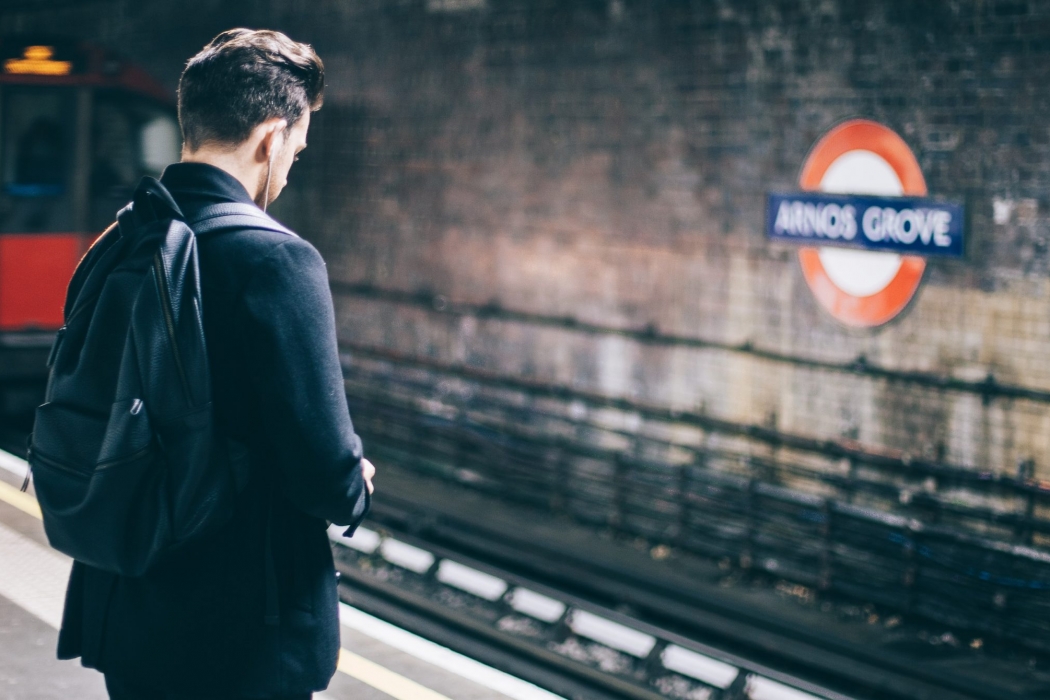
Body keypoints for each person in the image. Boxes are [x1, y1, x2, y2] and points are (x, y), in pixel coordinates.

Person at [55, 29, 376, 700]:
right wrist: (356, 481)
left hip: (127, 604)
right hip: (239, 630)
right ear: (270, 137)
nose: (288, 171)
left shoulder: (121, 241)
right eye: (296, 148)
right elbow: (326, 470)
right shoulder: (278, 261)